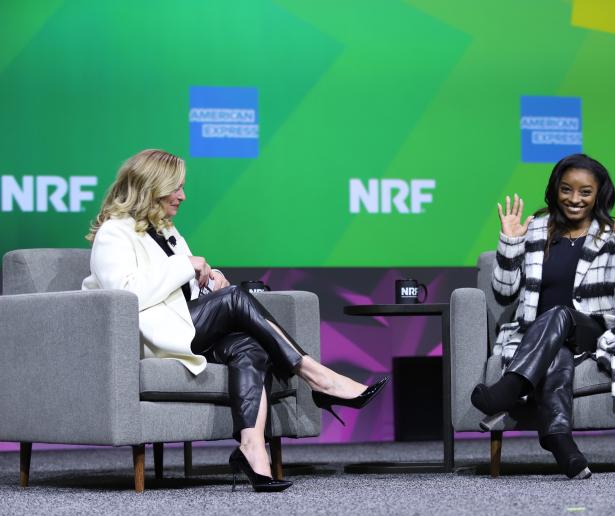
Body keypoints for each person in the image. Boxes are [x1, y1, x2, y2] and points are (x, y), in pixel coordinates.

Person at [82, 149, 387, 492]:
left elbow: (179, 290)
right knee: (235, 299)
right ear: (152, 187)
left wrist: (208, 281)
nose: (183, 196)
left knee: (250, 346)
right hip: (149, 338)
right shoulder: (114, 232)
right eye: (176, 188)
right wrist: (187, 267)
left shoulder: (166, 230)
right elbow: (125, 294)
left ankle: (252, 449)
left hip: (182, 327)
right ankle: (320, 378)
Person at [470, 153, 615, 480]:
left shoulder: (613, 233)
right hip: (542, 337)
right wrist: (510, 242)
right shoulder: (535, 230)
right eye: (566, 189)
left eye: (585, 192)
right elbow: (504, 294)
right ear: (555, 189)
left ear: (599, 195)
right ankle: (561, 443)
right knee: (559, 354)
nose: (574, 199)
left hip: (593, 330)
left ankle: (510, 386)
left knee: (562, 314)